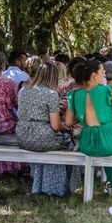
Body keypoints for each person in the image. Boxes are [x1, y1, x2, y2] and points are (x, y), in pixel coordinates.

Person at [65, 60, 112, 196]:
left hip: (87, 143)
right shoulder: (108, 90)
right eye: (102, 71)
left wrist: (82, 113)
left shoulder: (73, 95)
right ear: (94, 75)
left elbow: (68, 122)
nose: (104, 74)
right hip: (109, 139)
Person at [17, 62, 74, 196]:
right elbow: (55, 126)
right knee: (68, 143)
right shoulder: (51, 94)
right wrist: (65, 128)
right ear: (54, 77)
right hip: (41, 137)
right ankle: (57, 187)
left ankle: (39, 185)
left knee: (50, 143)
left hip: (23, 135)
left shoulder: (23, 90)